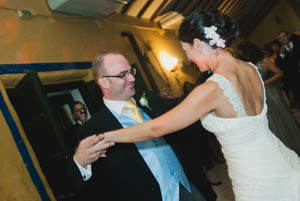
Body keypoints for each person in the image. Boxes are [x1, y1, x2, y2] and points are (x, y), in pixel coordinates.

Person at [102, 11, 300, 201]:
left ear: (197, 44)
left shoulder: (213, 88)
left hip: (254, 173)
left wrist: (107, 137)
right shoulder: (249, 68)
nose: (188, 57)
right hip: (279, 156)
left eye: (186, 50)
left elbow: (156, 128)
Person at [66, 50, 216, 201]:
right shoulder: (93, 129)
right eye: (123, 75)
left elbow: (183, 107)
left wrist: (208, 77)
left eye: (131, 72)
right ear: (103, 82)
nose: (131, 78)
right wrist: (80, 163)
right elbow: (87, 189)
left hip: (186, 186)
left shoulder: (149, 99)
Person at [238, 40, 300, 156]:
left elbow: (280, 73)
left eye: (243, 53)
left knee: (283, 118)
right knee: (273, 122)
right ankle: (285, 150)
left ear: (249, 51)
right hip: (261, 97)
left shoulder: (264, 61)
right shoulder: (248, 66)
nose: (242, 55)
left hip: (272, 93)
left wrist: (265, 82)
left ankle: (295, 144)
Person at [276, 30, 300, 107]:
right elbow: (282, 68)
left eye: (284, 36)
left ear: (289, 36)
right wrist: (282, 55)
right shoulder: (279, 53)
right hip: (296, 78)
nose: (282, 39)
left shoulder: (298, 43)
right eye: (280, 38)